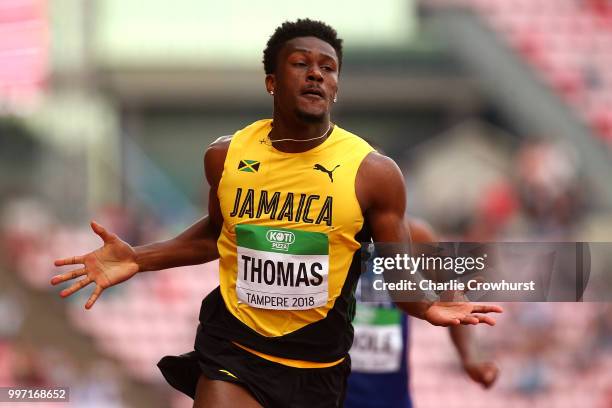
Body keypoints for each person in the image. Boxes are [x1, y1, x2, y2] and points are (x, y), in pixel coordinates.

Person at [50, 19, 502, 408]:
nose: (316, 75)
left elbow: (404, 284)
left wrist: (429, 308)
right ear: (271, 80)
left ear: (338, 86)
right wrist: (139, 258)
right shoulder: (225, 157)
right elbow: (215, 234)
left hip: (317, 366)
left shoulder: (374, 174)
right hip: (235, 350)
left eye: (328, 68)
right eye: (301, 63)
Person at [345, 219, 499, 408]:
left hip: (388, 395)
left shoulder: (416, 237)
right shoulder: (329, 232)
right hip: (328, 389)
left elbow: (454, 302)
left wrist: (470, 358)